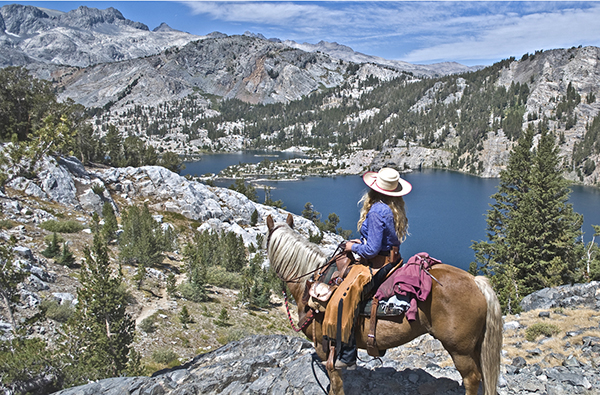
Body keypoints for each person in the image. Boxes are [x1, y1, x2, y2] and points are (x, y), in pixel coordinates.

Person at [335, 167, 411, 369]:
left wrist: (352, 246)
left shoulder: (377, 210)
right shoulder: (393, 207)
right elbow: (380, 240)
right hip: (393, 260)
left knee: (346, 298)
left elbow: (371, 250)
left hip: (379, 264)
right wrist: (361, 241)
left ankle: (348, 355)